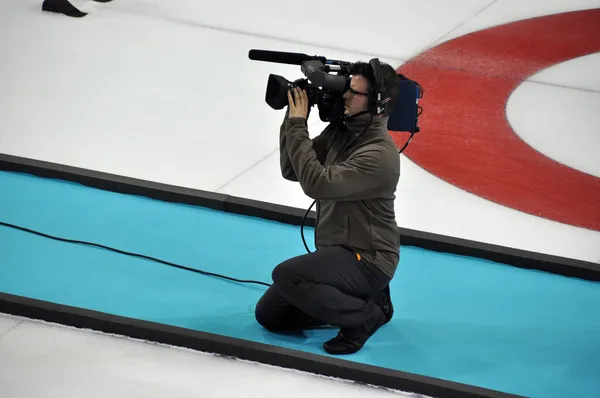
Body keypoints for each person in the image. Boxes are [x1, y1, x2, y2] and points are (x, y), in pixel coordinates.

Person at [254, 60, 402, 355]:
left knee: (289, 275)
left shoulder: (378, 155)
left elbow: (316, 185)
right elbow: (292, 170)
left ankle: (365, 318)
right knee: (270, 315)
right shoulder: (342, 132)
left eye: (355, 93)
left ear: (377, 104)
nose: (346, 96)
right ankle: (370, 300)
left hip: (369, 260)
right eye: (347, 89)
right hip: (338, 255)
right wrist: (292, 117)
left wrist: (298, 126)